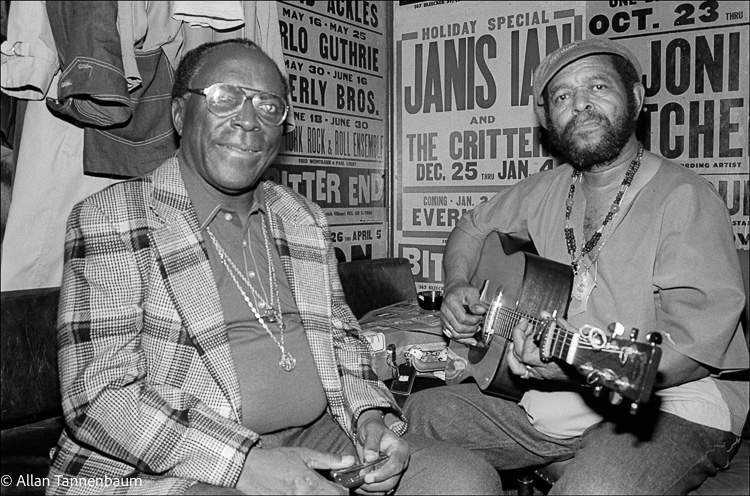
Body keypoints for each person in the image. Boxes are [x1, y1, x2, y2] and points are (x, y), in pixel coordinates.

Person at [47, 39, 502, 495]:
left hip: (318, 434)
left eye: (269, 106)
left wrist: (370, 418)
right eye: (225, 98)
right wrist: (244, 464)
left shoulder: (302, 218)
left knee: (466, 480)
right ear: (181, 113)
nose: (249, 120)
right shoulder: (115, 216)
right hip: (177, 460)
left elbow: (343, 342)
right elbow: (98, 396)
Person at [404, 38, 749, 494]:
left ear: (637, 99)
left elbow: (690, 353)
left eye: (598, 87)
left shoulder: (684, 197)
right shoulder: (546, 188)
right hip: (562, 397)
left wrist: (579, 366)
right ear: (549, 119)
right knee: (419, 415)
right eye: (563, 96)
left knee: (596, 488)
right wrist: (455, 285)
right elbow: (469, 230)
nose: (580, 105)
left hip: (674, 401)